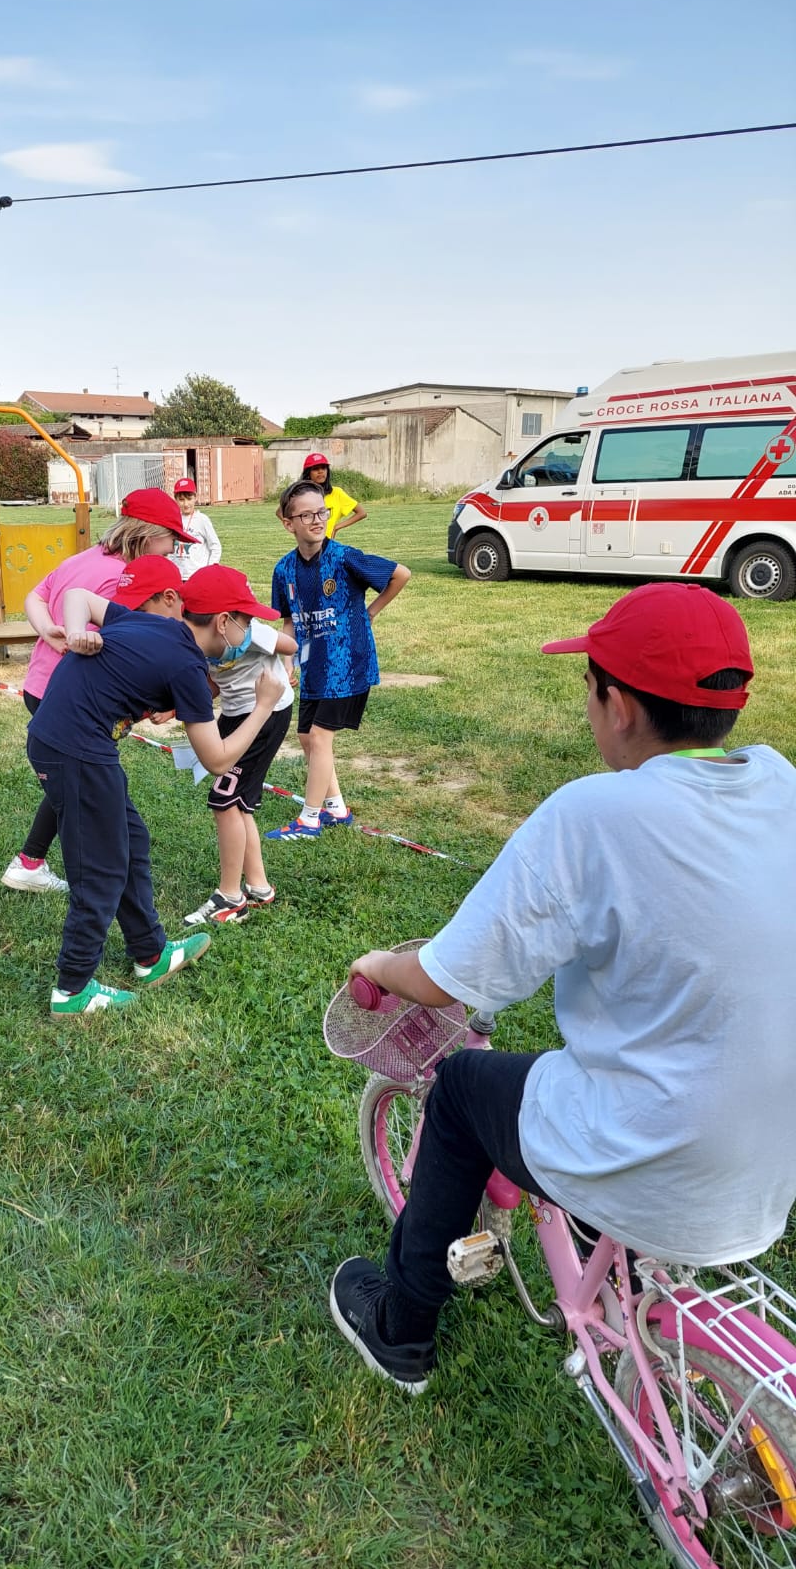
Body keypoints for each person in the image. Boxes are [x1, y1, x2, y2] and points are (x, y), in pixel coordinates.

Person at [329, 582, 796, 1394]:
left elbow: (443, 978)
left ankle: (401, 1329)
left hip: (661, 1156)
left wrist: (378, 966)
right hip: (767, 1164)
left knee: (463, 1089)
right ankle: (600, 1243)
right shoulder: (780, 783)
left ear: (618, 705)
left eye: (589, 685)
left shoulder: (593, 814)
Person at [27, 565, 285, 1017]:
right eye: (245, 621)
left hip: (68, 740)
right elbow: (218, 759)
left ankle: (150, 954)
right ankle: (72, 990)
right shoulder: (187, 666)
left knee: (131, 841)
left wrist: (79, 627)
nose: (248, 633)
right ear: (223, 621)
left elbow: (80, 597)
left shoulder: (158, 625)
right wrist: (263, 706)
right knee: (102, 870)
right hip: (76, 750)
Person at [1, 488, 198, 895]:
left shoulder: (84, 559)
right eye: (171, 540)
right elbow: (133, 654)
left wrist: (49, 631)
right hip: (77, 702)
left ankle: (31, 861)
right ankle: (83, 874)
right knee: (86, 783)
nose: (173, 550)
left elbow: (35, 596)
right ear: (146, 534)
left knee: (74, 778)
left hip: (42, 687)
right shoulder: (122, 581)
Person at [266, 480, 409, 840]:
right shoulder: (284, 570)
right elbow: (289, 620)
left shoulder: (345, 558)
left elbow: (400, 574)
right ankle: (336, 809)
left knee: (319, 736)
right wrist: (288, 660)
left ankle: (309, 820)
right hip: (314, 666)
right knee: (305, 736)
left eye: (322, 512)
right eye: (307, 515)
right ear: (288, 523)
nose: (317, 520)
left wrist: (371, 612)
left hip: (347, 664)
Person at [183, 565, 298, 925]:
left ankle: (230, 897)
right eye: (245, 618)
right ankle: (259, 886)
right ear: (222, 621)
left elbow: (290, 644)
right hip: (236, 714)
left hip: (267, 712)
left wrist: (284, 663)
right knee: (237, 803)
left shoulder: (253, 633)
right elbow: (213, 685)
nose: (249, 623)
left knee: (225, 800)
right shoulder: (200, 642)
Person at [300, 453, 366, 538]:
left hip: (328, 543)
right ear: (308, 473)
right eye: (316, 469)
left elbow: (361, 513)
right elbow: (285, 514)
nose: (320, 471)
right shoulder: (301, 495)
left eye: (323, 468)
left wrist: (336, 527)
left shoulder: (336, 493)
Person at [170, 477, 222, 579]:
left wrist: (210, 570)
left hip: (197, 576)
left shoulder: (202, 520)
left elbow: (215, 546)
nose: (186, 504)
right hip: (177, 576)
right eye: (181, 500)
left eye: (189, 499)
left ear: (195, 497)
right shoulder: (173, 519)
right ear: (175, 499)